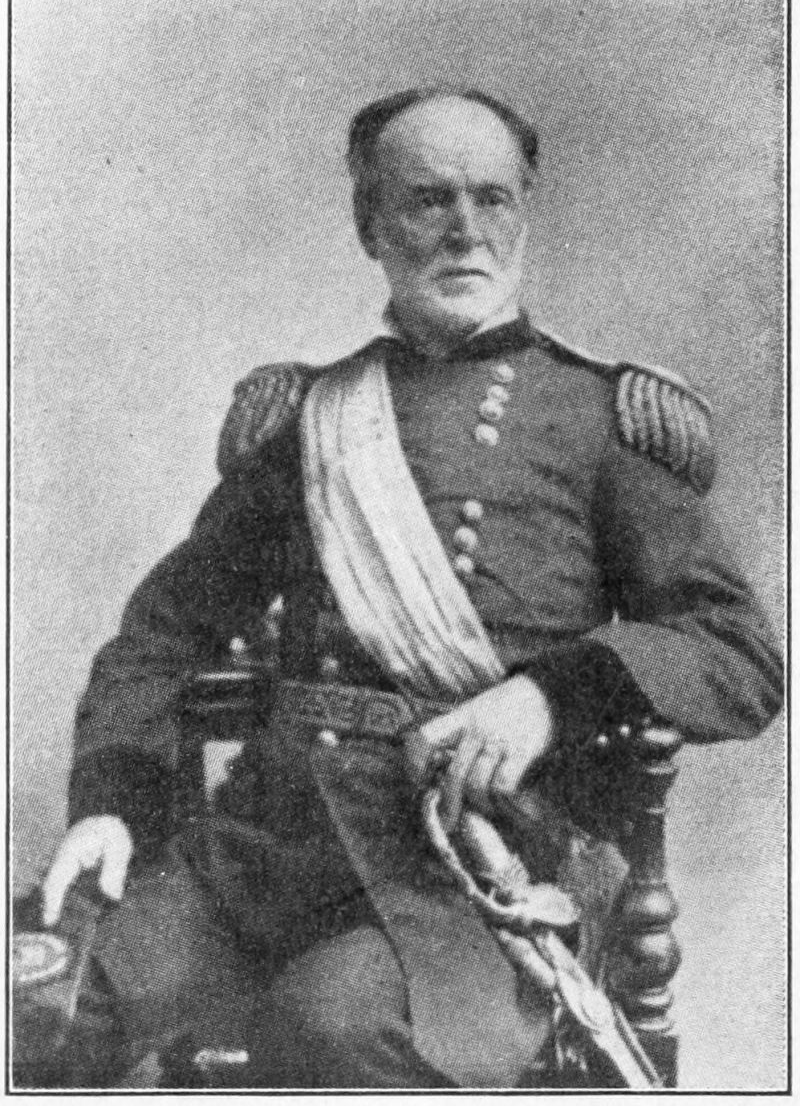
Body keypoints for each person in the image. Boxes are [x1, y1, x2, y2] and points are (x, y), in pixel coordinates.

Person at [37, 87, 782, 1088]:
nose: (465, 231)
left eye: (492, 198)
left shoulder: (598, 419)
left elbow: (736, 651)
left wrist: (551, 695)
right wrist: (113, 803)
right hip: (268, 847)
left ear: (522, 215)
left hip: (473, 866)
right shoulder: (312, 421)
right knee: (39, 1000)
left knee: (329, 1028)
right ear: (370, 226)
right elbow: (163, 633)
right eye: (429, 200)